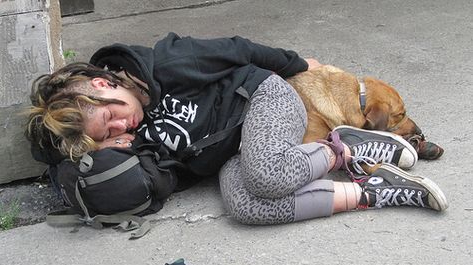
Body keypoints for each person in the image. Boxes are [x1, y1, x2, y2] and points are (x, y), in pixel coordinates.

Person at [26, 33, 448, 225]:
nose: (122, 125)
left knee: (265, 176)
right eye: (107, 132)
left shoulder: (167, 62)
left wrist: (301, 66)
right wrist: (100, 149)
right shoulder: (124, 139)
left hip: (264, 97)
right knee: (245, 207)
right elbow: (47, 152)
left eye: (111, 114)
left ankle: (345, 147)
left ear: (104, 84)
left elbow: (239, 49)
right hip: (233, 151)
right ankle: (376, 192)